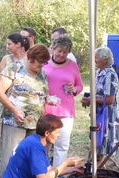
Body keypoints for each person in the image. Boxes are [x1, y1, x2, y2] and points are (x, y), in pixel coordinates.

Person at [0, 44, 50, 176]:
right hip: (15, 122)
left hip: (35, 124)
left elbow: (43, 93)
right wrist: (14, 110)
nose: (42, 65)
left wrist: (48, 99)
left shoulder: (41, 74)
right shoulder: (14, 68)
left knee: (30, 156)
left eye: (45, 62)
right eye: (40, 61)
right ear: (31, 57)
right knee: (11, 155)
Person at [43, 36, 83, 166]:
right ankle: (41, 172)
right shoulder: (44, 63)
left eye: (65, 52)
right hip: (46, 110)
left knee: (62, 145)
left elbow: (79, 86)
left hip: (65, 111)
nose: (61, 54)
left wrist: (74, 89)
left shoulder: (73, 65)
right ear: (53, 49)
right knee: (44, 143)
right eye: (59, 51)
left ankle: (58, 174)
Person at [81, 47, 119, 164]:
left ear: (104, 59)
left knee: (103, 139)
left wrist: (91, 100)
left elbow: (110, 100)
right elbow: (97, 93)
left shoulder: (110, 74)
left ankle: (98, 168)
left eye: (96, 57)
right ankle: (91, 163)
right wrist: (87, 98)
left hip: (107, 114)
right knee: (96, 137)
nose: (94, 59)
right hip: (98, 112)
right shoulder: (98, 72)